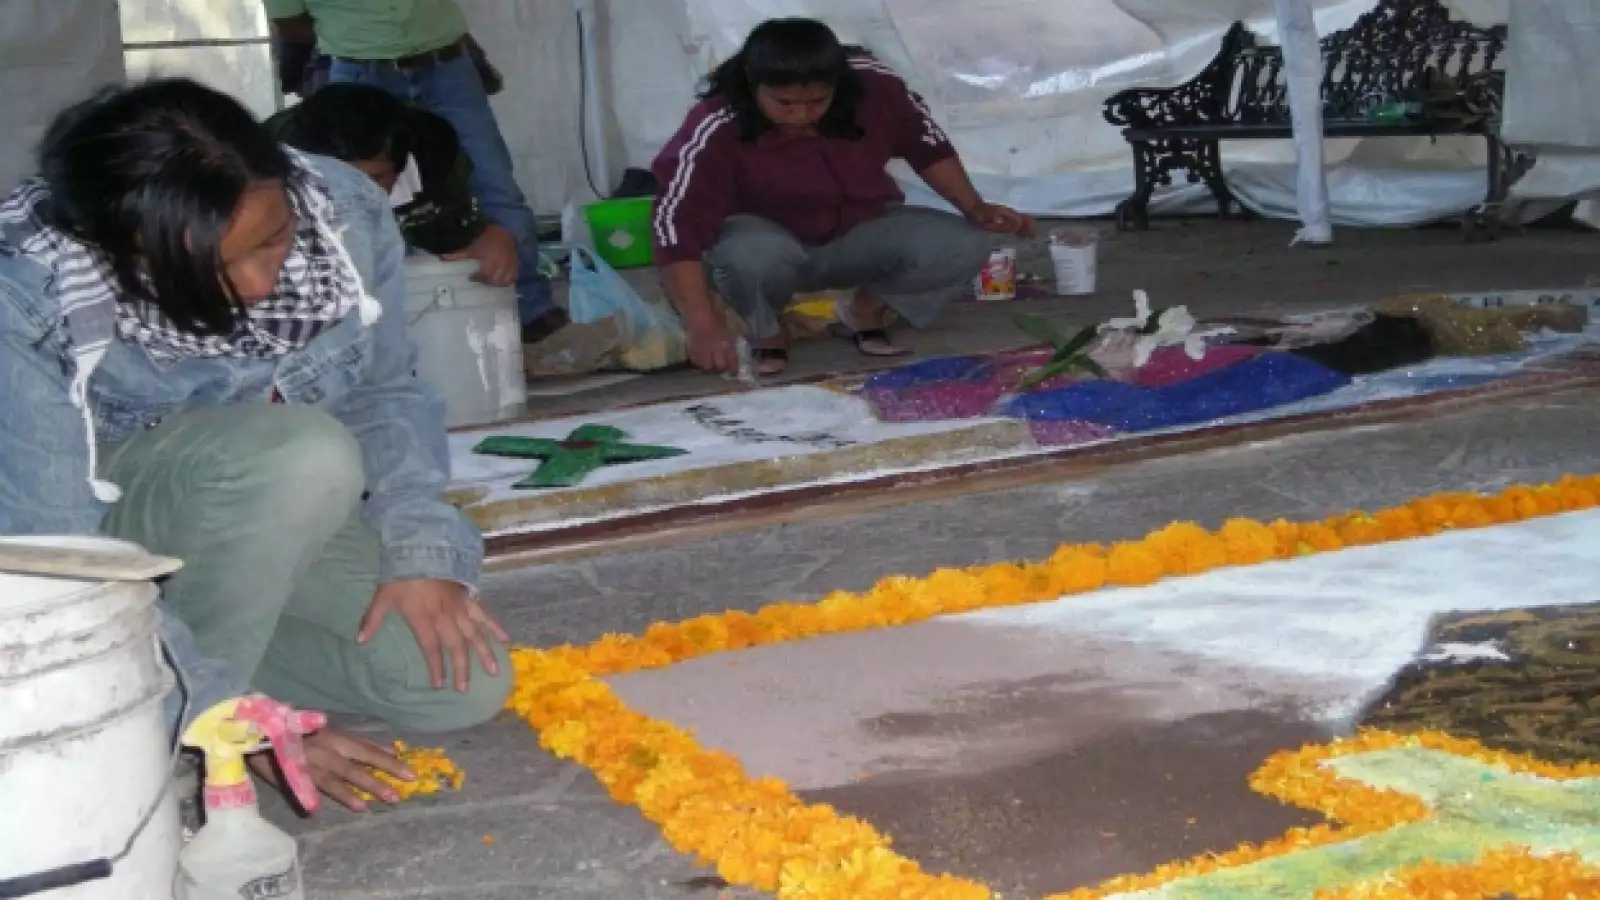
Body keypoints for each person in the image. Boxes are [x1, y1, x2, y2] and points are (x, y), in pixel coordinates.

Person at [0, 79, 512, 812]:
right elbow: (65, 557)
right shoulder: (27, 287)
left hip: (243, 511)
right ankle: (178, 710)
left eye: (271, 240)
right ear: (116, 247)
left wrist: (420, 550)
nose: (254, 283)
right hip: (96, 533)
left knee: (453, 679)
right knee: (302, 456)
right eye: (206, 268)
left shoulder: (345, 212)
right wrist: (233, 719)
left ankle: (197, 664)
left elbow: (386, 393)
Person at [651, 18, 1035, 376]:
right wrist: (702, 324)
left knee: (962, 242)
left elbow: (927, 146)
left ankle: (864, 310)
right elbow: (676, 225)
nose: (801, 115)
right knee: (749, 254)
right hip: (770, 245)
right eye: (784, 104)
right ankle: (766, 326)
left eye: (818, 101)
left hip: (859, 233)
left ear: (838, 83)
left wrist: (974, 206)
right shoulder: (715, 121)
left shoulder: (875, 85)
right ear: (754, 84)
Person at [264, 0, 567, 344]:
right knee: (355, 197)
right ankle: (386, 326)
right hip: (359, 69)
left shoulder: (438, 153)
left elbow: (446, 180)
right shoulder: (278, 155)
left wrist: (475, 235)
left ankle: (530, 312)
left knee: (495, 184)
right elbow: (290, 21)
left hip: (447, 64)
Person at [266, 83, 517, 286]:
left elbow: (458, 238)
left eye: (374, 180)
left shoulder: (434, 158)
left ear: (401, 165)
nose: (358, 194)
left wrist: (486, 236)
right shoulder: (267, 166)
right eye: (340, 181)